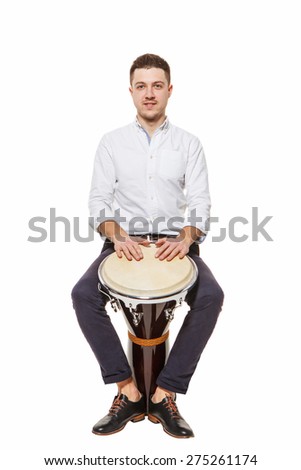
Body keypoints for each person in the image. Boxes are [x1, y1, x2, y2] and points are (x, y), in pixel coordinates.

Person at [71, 53, 224, 438]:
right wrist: (116, 233)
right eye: (142, 86)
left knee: (212, 296)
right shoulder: (111, 143)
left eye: (157, 85)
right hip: (124, 245)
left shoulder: (189, 144)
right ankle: (126, 390)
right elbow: (98, 203)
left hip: (177, 244)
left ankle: (165, 393)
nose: (149, 93)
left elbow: (202, 203)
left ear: (169, 90)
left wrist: (187, 237)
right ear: (131, 91)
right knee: (82, 294)